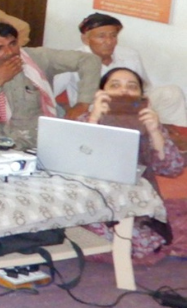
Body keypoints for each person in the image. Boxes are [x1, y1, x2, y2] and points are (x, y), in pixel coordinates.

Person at [80, 68, 186, 264]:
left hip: (136, 196)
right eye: (115, 85)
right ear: (101, 93)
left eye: (131, 87)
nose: (123, 91)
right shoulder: (86, 120)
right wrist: (94, 119)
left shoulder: (148, 121)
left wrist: (155, 132)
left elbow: (173, 169)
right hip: (93, 196)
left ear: (141, 95)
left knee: (143, 240)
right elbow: (73, 162)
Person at [0, 22, 101, 150]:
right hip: (0, 132)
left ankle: (12, 150)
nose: (10, 52)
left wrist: (83, 102)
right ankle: (12, 149)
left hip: (37, 130)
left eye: (13, 44)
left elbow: (89, 60)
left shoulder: (37, 57)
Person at [53, 13, 186, 126]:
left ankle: (176, 135)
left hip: (131, 102)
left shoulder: (130, 55)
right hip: (96, 108)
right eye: (102, 36)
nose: (109, 41)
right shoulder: (72, 59)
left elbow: (145, 87)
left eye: (113, 36)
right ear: (86, 39)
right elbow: (50, 92)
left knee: (171, 93)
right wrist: (68, 108)